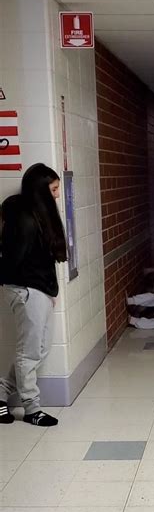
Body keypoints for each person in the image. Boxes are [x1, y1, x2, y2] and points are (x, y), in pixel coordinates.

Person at [0, 164, 67, 427]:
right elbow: (15, 261)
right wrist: (34, 292)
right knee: (29, 352)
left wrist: (49, 290)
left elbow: (41, 259)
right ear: (41, 190)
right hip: (27, 291)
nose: (58, 194)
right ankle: (32, 408)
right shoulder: (25, 219)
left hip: (38, 290)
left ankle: (2, 394)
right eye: (54, 189)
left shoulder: (37, 215)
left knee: (38, 349)